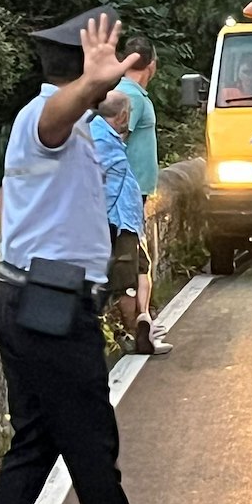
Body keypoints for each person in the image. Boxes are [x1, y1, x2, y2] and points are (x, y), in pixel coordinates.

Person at [0, 7, 198, 504]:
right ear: (82, 73)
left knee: (39, 437)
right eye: (107, 70)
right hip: (48, 304)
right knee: (91, 441)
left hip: (30, 297)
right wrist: (92, 84)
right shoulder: (49, 121)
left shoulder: (60, 131)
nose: (118, 79)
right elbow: (56, 118)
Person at [93, 91, 172, 356]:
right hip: (116, 221)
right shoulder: (100, 137)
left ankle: (144, 323)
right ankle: (135, 336)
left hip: (125, 219)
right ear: (124, 115)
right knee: (127, 281)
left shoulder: (101, 134)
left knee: (141, 269)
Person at [116, 38, 158, 341]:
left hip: (129, 191)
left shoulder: (128, 93)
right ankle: (137, 324)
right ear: (151, 64)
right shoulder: (131, 98)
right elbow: (116, 137)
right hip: (126, 194)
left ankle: (141, 319)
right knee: (135, 259)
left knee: (136, 258)